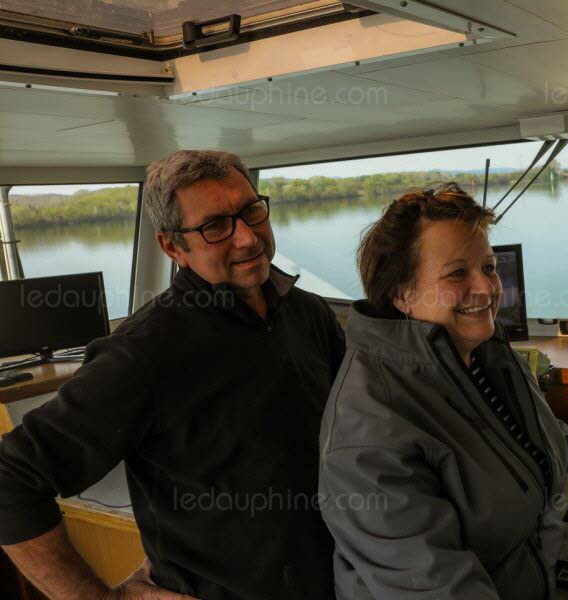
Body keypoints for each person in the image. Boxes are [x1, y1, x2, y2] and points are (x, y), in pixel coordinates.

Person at [0, 150, 345, 600]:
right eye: (216, 226)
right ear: (172, 247)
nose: (247, 237)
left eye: (251, 211)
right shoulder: (144, 352)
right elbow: (10, 479)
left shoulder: (309, 314)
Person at [318, 183, 568, 600]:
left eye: (489, 267)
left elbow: (507, 446)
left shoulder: (478, 352)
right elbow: (435, 587)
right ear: (402, 293)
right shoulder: (369, 432)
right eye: (457, 273)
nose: (487, 288)